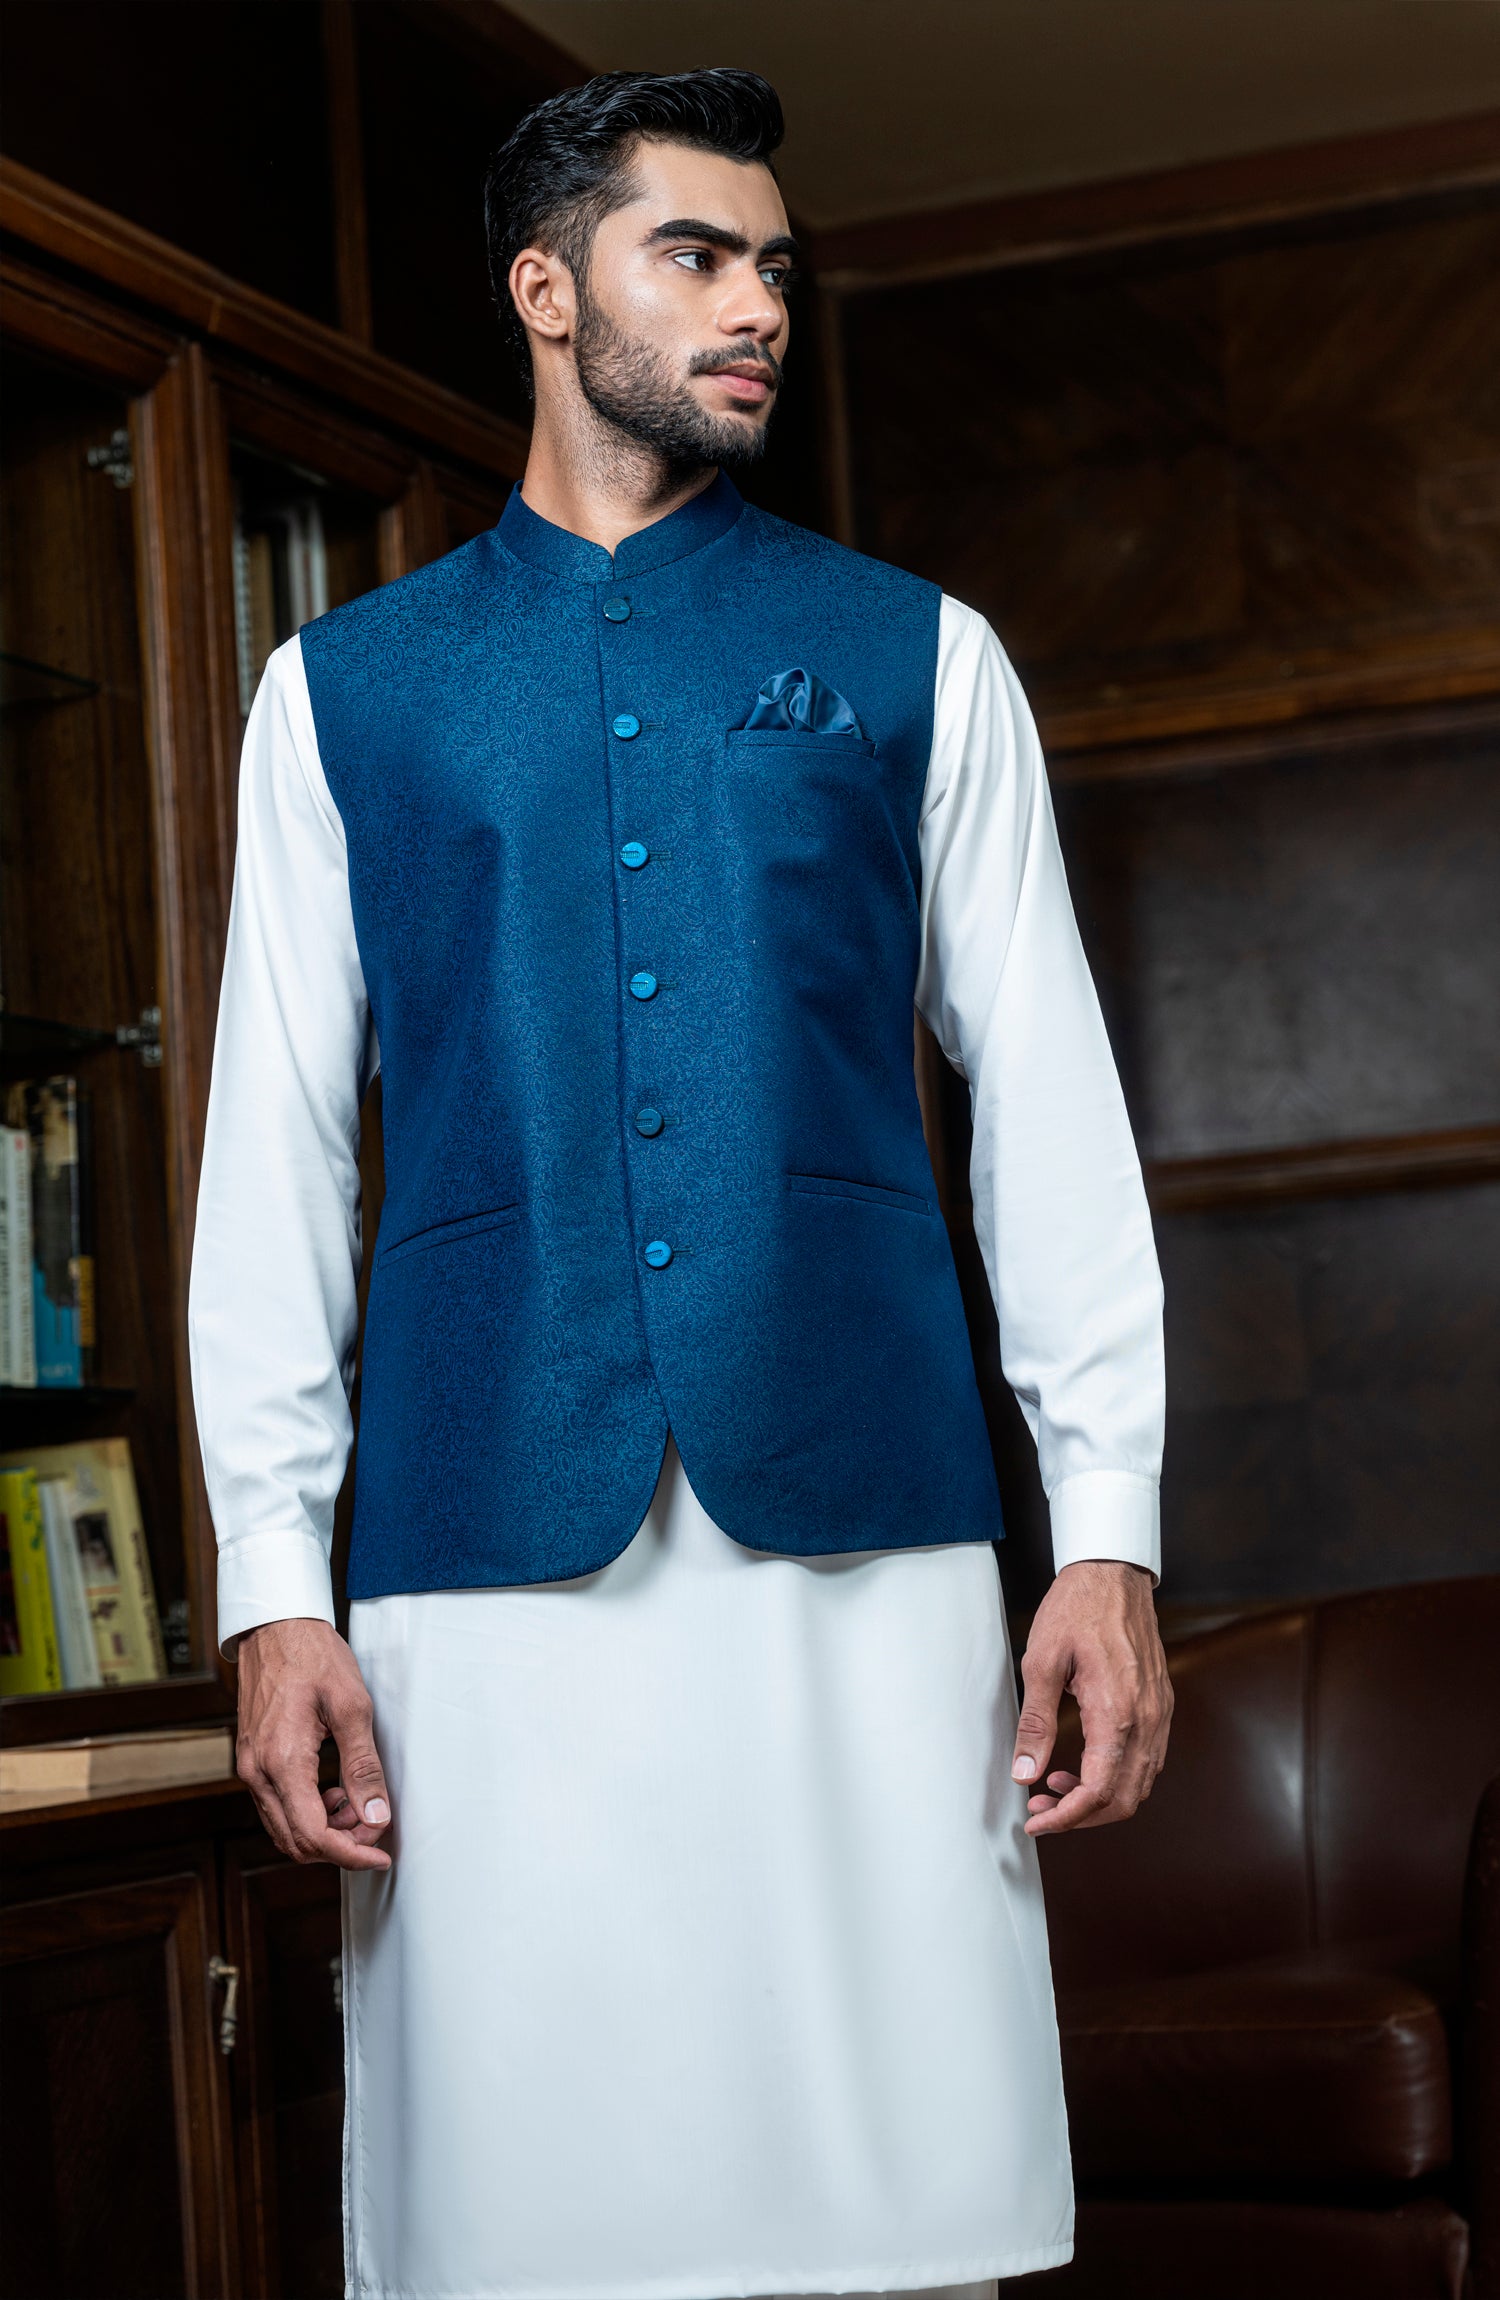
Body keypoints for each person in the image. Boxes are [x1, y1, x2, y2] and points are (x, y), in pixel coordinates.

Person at [187, 67, 1170, 2300]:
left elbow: (1051, 1110)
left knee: (899, 2193)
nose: (759, 311)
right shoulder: (338, 696)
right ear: (546, 291)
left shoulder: (923, 655)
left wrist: (1105, 1529)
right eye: (697, 257)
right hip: (480, 1531)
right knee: (520, 2211)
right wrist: (272, 1584)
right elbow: (274, 1156)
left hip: (863, 1522)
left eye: (778, 271)